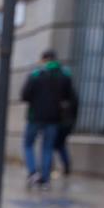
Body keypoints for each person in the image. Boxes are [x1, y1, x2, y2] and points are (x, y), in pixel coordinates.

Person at [21, 49, 77, 189]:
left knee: (28, 144)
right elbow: (70, 97)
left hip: (35, 117)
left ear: (44, 59)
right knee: (47, 147)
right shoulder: (64, 75)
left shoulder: (36, 75)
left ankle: (33, 172)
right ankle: (45, 179)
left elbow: (24, 95)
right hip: (54, 118)